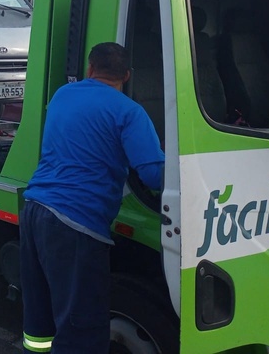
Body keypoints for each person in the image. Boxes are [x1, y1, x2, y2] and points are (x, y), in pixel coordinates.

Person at [20, 42, 164, 353]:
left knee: (41, 322)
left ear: (89, 69)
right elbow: (153, 175)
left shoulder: (63, 95)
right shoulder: (129, 112)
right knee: (81, 328)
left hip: (34, 210)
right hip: (76, 223)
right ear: (127, 75)